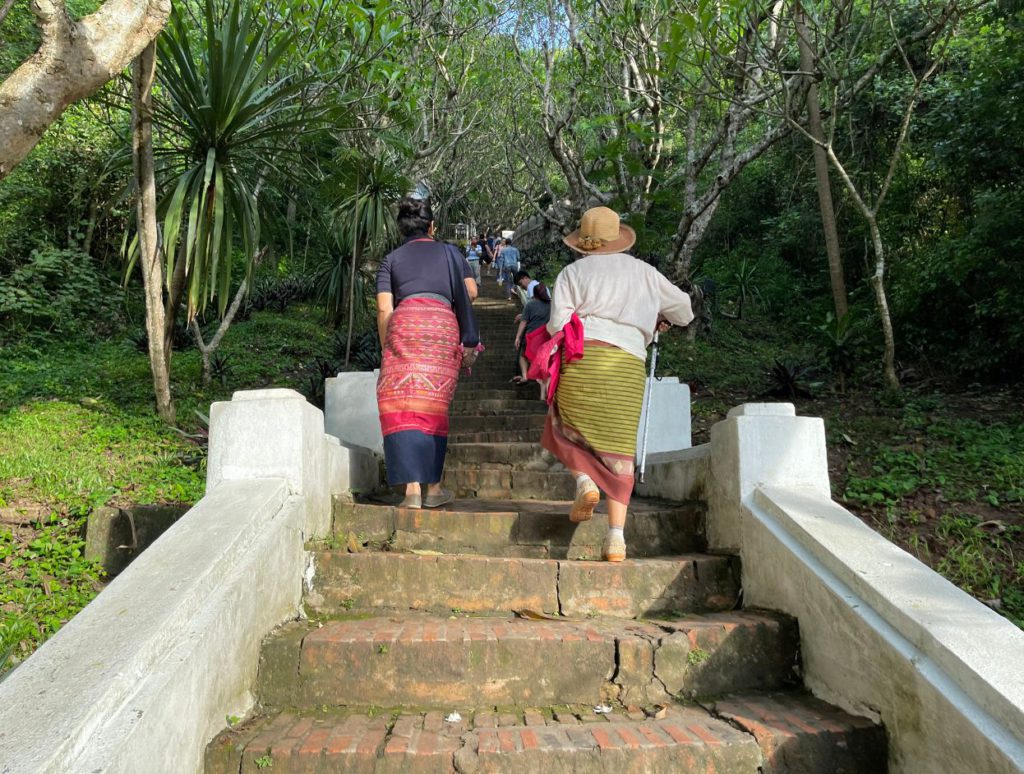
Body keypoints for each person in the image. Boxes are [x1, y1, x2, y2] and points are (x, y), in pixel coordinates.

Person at [542, 206, 693, 562]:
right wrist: (656, 316)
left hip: (582, 360)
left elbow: (555, 325)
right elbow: (684, 311)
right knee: (620, 450)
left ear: (584, 242)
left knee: (563, 426)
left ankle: (584, 482)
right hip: (625, 366)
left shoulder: (571, 273)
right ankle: (615, 539)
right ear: (620, 239)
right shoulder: (645, 273)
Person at [376, 196, 480, 509]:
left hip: (404, 324)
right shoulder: (451, 252)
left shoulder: (390, 260)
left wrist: (388, 346)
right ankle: (434, 488)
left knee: (402, 403)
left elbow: (384, 308)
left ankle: (411, 492)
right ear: (432, 226)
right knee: (434, 405)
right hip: (442, 328)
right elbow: (471, 291)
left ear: (401, 229)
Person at [513, 282, 550, 397]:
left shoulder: (530, 305)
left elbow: (523, 322)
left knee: (523, 355)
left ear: (534, 294)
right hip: (546, 336)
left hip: (531, 336)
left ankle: (525, 376)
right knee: (544, 359)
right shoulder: (552, 305)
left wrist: (518, 336)